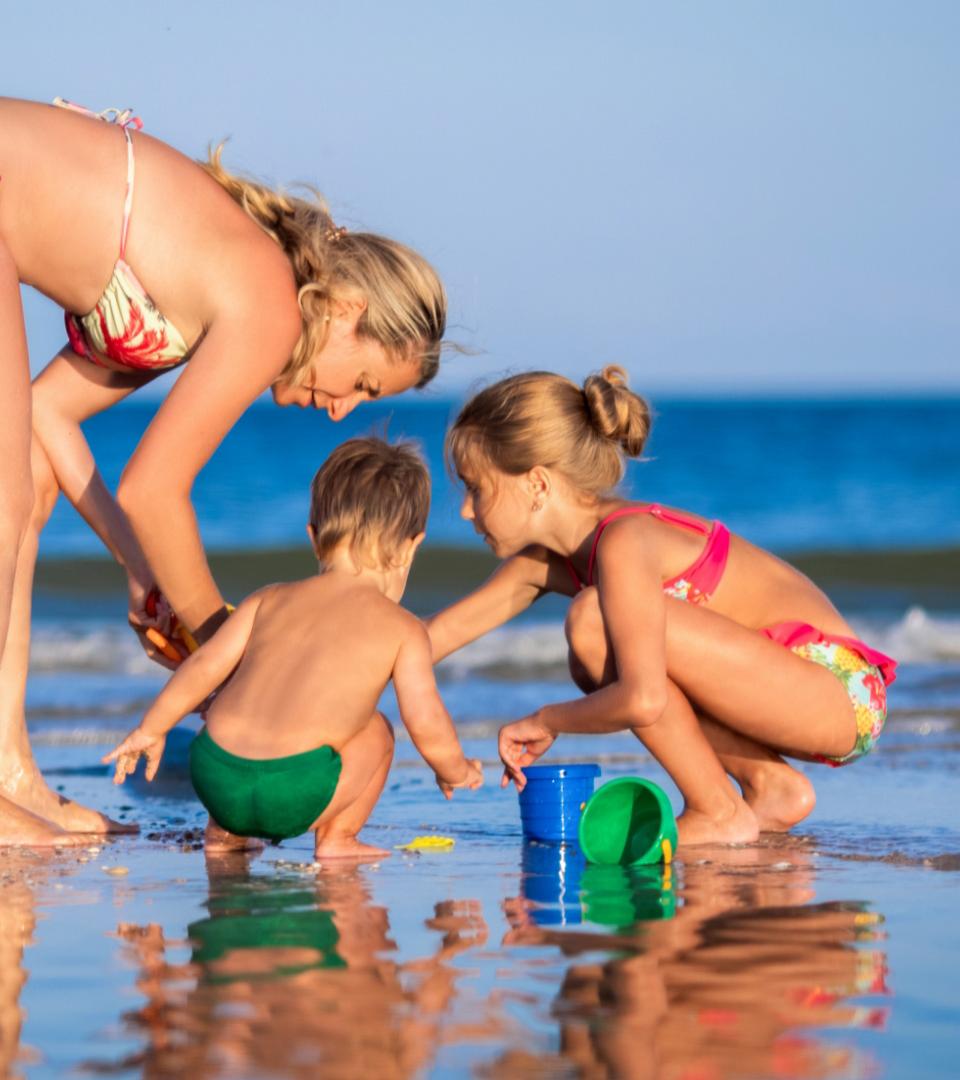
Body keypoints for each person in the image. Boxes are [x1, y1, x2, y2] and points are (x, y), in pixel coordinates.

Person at [0, 96, 446, 844]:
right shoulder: (269, 302)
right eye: (364, 383)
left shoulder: (209, 292)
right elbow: (153, 488)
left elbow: (47, 415)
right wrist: (223, 642)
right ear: (345, 310)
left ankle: (12, 772)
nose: (344, 411)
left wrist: (142, 571)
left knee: (30, 482)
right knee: (7, 494)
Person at [426, 367, 896, 847]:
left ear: (538, 485)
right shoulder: (548, 563)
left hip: (839, 691)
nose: (465, 510)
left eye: (475, 487)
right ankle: (769, 786)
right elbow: (425, 642)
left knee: (593, 626)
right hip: (794, 694)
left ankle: (717, 810)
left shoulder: (624, 541)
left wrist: (545, 720)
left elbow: (644, 699)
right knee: (603, 647)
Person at [104, 438, 483, 858]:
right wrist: (456, 769)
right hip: (292, 793)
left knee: (241, 704)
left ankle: (224, 836)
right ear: (411, 548)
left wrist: (151, 729)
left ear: (314, 538)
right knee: (377, 729)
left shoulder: (267, 598)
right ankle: (339, 840)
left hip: (214, 778)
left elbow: (205, 665)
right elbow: (425, 720)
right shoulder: (404, 628)